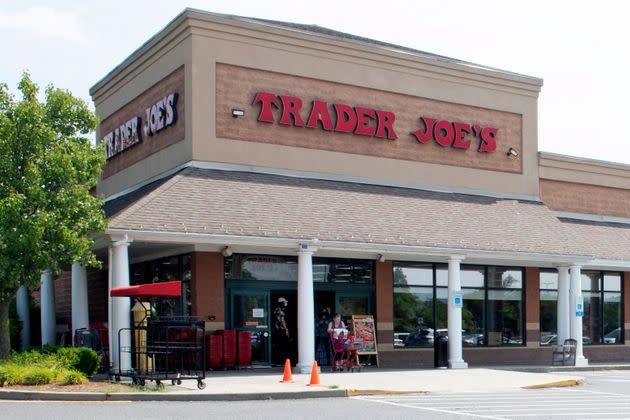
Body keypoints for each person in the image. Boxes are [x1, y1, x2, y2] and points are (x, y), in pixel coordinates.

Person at [272, 297, 290, 365]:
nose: (286, 303)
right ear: (282, 303)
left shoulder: (276, 309)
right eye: (285, 302)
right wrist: (286, 329)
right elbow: (282, 320)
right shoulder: (280, 310)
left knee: (278, 346)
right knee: (282, 346)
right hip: (281, 330)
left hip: (277, 330)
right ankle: (280, 361)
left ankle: (278, 361)